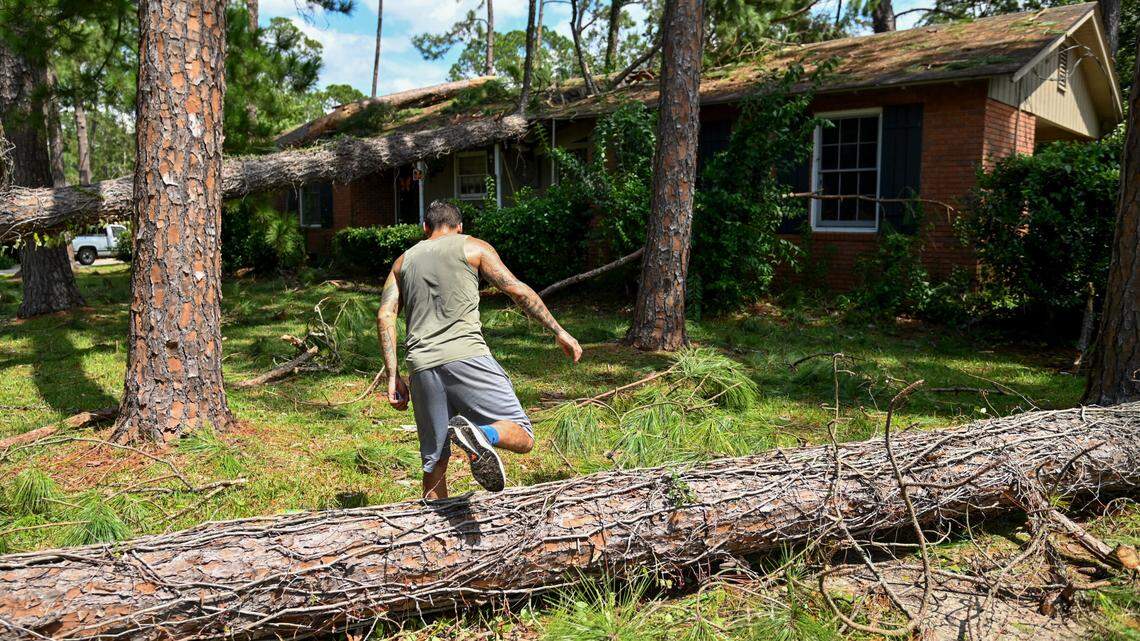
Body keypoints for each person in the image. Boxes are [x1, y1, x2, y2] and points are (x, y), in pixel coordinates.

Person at [377, 200, 582, 498]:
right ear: (460, 226)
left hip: (421, 367)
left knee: (434, 461)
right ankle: (482, 434)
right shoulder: (473, 247)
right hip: (467, 356)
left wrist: (393, 375)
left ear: (425, 228)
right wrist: (558, 331)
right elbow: (517, 290)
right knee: (523, 434)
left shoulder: (402, 261)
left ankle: (433, 524)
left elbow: (385, 314)